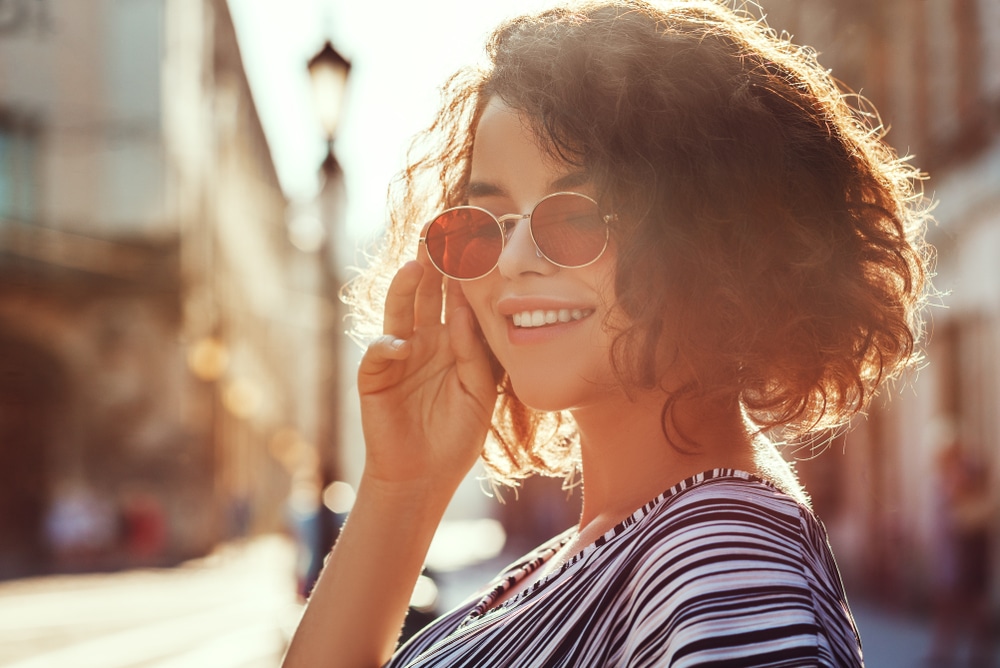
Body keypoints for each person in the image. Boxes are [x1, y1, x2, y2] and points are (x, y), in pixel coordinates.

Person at [282, 0, 931, 665]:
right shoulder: (618, 549)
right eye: (487, 221)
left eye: (575, 218)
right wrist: (404, 487)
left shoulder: (725, 569)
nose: (510, 261)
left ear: (712, 238)